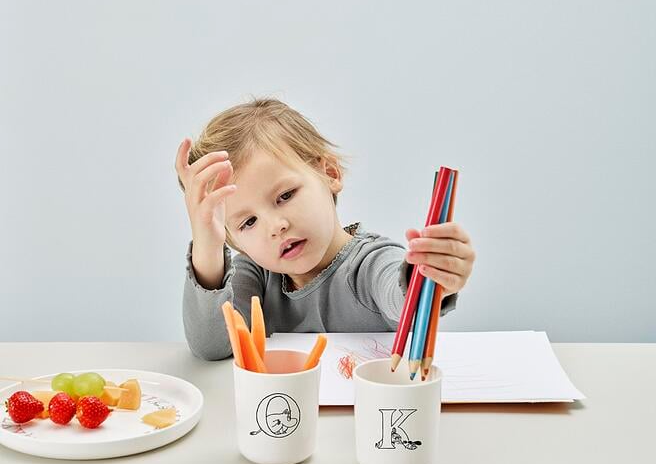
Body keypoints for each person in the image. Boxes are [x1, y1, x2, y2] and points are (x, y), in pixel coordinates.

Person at [175, 96, 476, 361]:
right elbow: (211, 347)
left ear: (329, 173)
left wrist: (429, 276)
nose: (276, 227)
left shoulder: (368, 264)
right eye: (248, 222)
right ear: (235, 240)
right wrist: (207, 246)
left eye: (285, 196)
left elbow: (402, 297)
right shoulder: (255, 275)